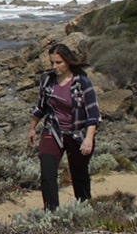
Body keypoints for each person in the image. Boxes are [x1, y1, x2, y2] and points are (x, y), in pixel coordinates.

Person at [28, 42, 100, 211]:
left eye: (58, 63)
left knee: (79, 173)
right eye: (52, 62)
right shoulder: (48, 80)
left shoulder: (81, 82)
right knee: (47, 173)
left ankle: (83, 209)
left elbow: (93, 115)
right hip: (53, 131)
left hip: (77, 134)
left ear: (67, 61)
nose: (55, 67)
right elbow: (41, 107)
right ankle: (52, 213)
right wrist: (32, 128)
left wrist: (88, 139)